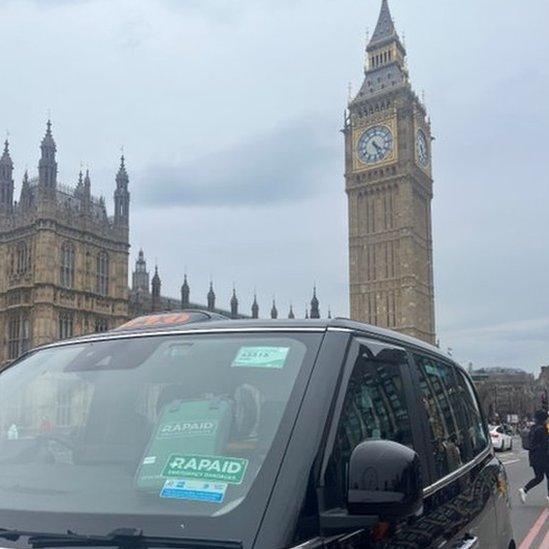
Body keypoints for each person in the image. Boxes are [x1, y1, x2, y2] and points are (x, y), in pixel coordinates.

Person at [518, 409, 549, 504]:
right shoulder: (543, 429)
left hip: (533, 457)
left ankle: (524, 489)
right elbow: (546, 444)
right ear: (544, 419)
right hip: (543, 457)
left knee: (539, 477)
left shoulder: (533, 428)